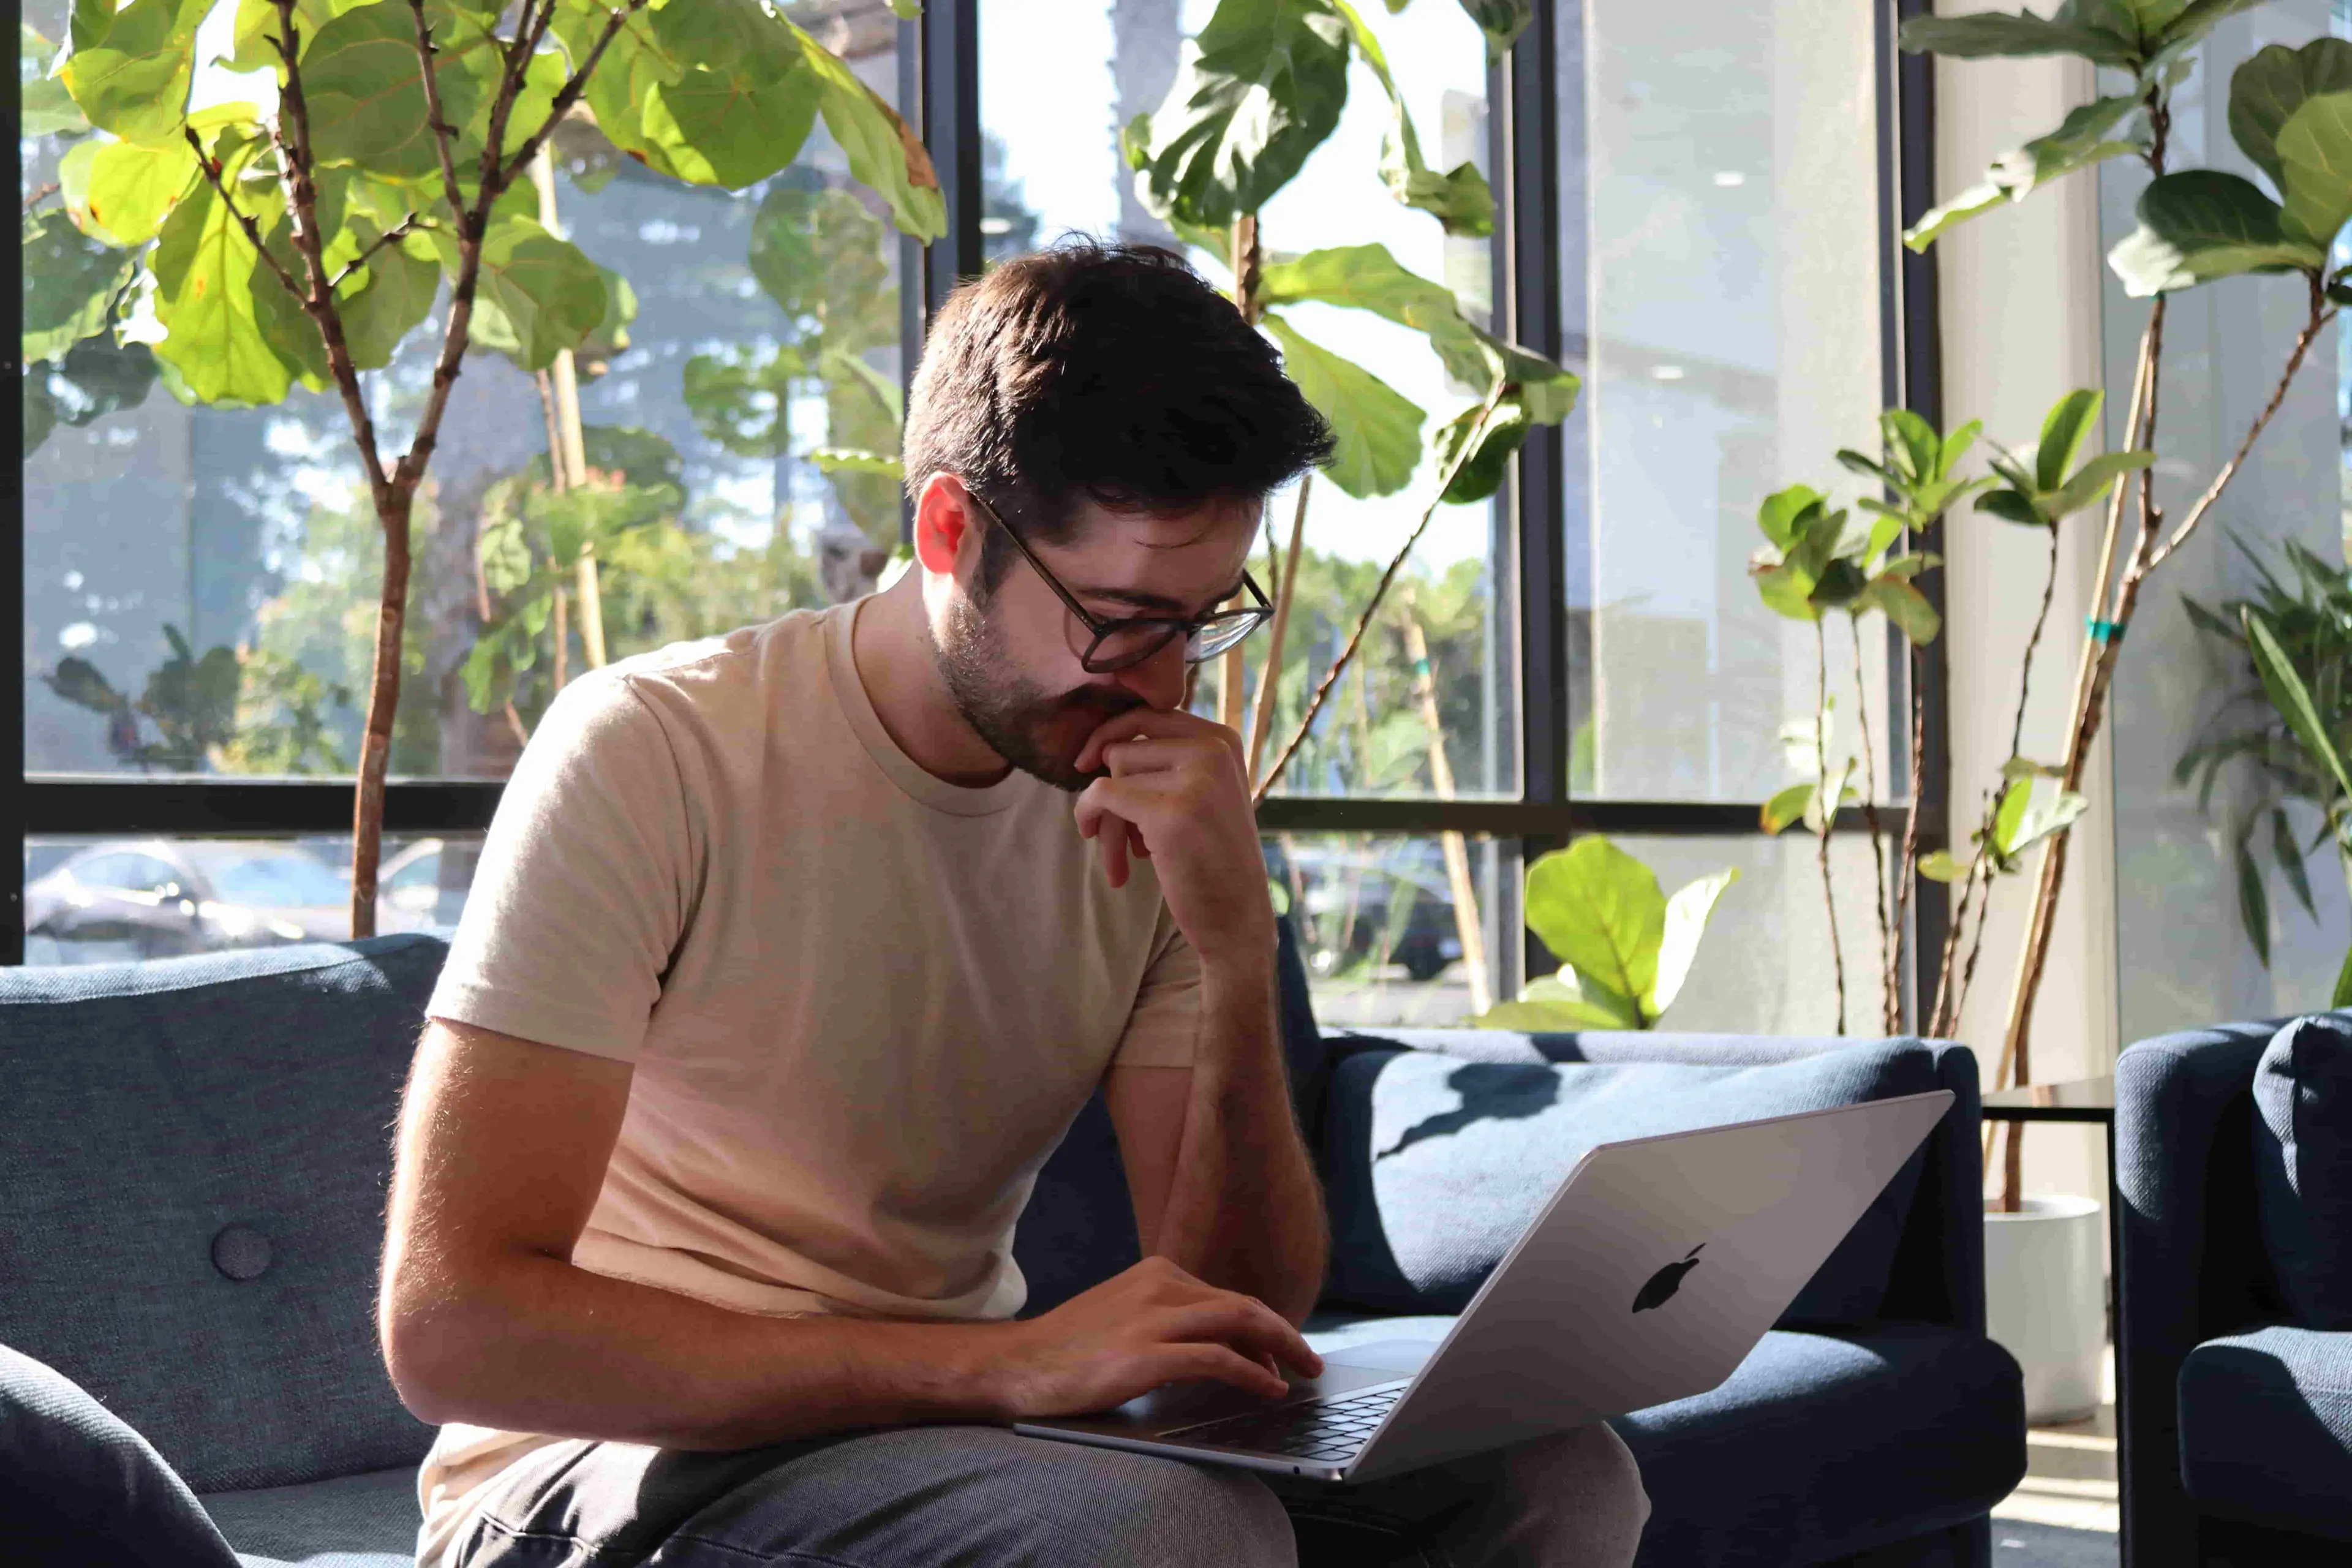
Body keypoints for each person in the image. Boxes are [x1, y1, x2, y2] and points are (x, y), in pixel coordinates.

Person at [381, 241, 1649, 1568]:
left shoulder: (1139, 804)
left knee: (1551, 1475)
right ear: (950, 531)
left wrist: (1233, 948)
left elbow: (1241, 1313)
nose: (1161, 681)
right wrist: (996, 1367)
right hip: (594, 1465)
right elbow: (455, 1327)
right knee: (1170, 1534)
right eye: (1119, 617)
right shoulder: (657, 749)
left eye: (1201, 621)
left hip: (952, 1431)